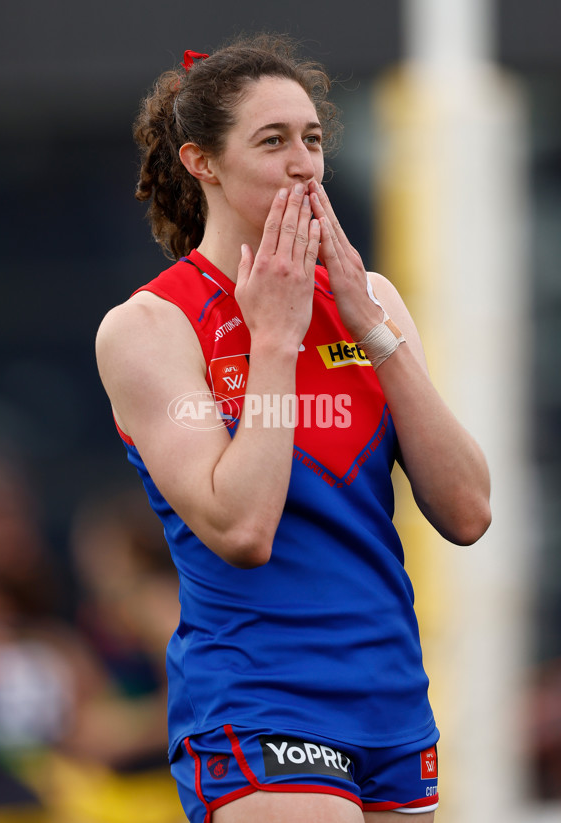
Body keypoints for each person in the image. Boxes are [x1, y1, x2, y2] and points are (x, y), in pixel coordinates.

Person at [95, 33, 491, 823]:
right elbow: (242, 526)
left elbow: (468, 510)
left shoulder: (367, 298)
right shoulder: (152, 325)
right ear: (202, 161)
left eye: (311, 138)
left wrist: (375, 329)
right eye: (272, 141)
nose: (304, 162)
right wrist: (273, 341)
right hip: (258, 696)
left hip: (390, 697)